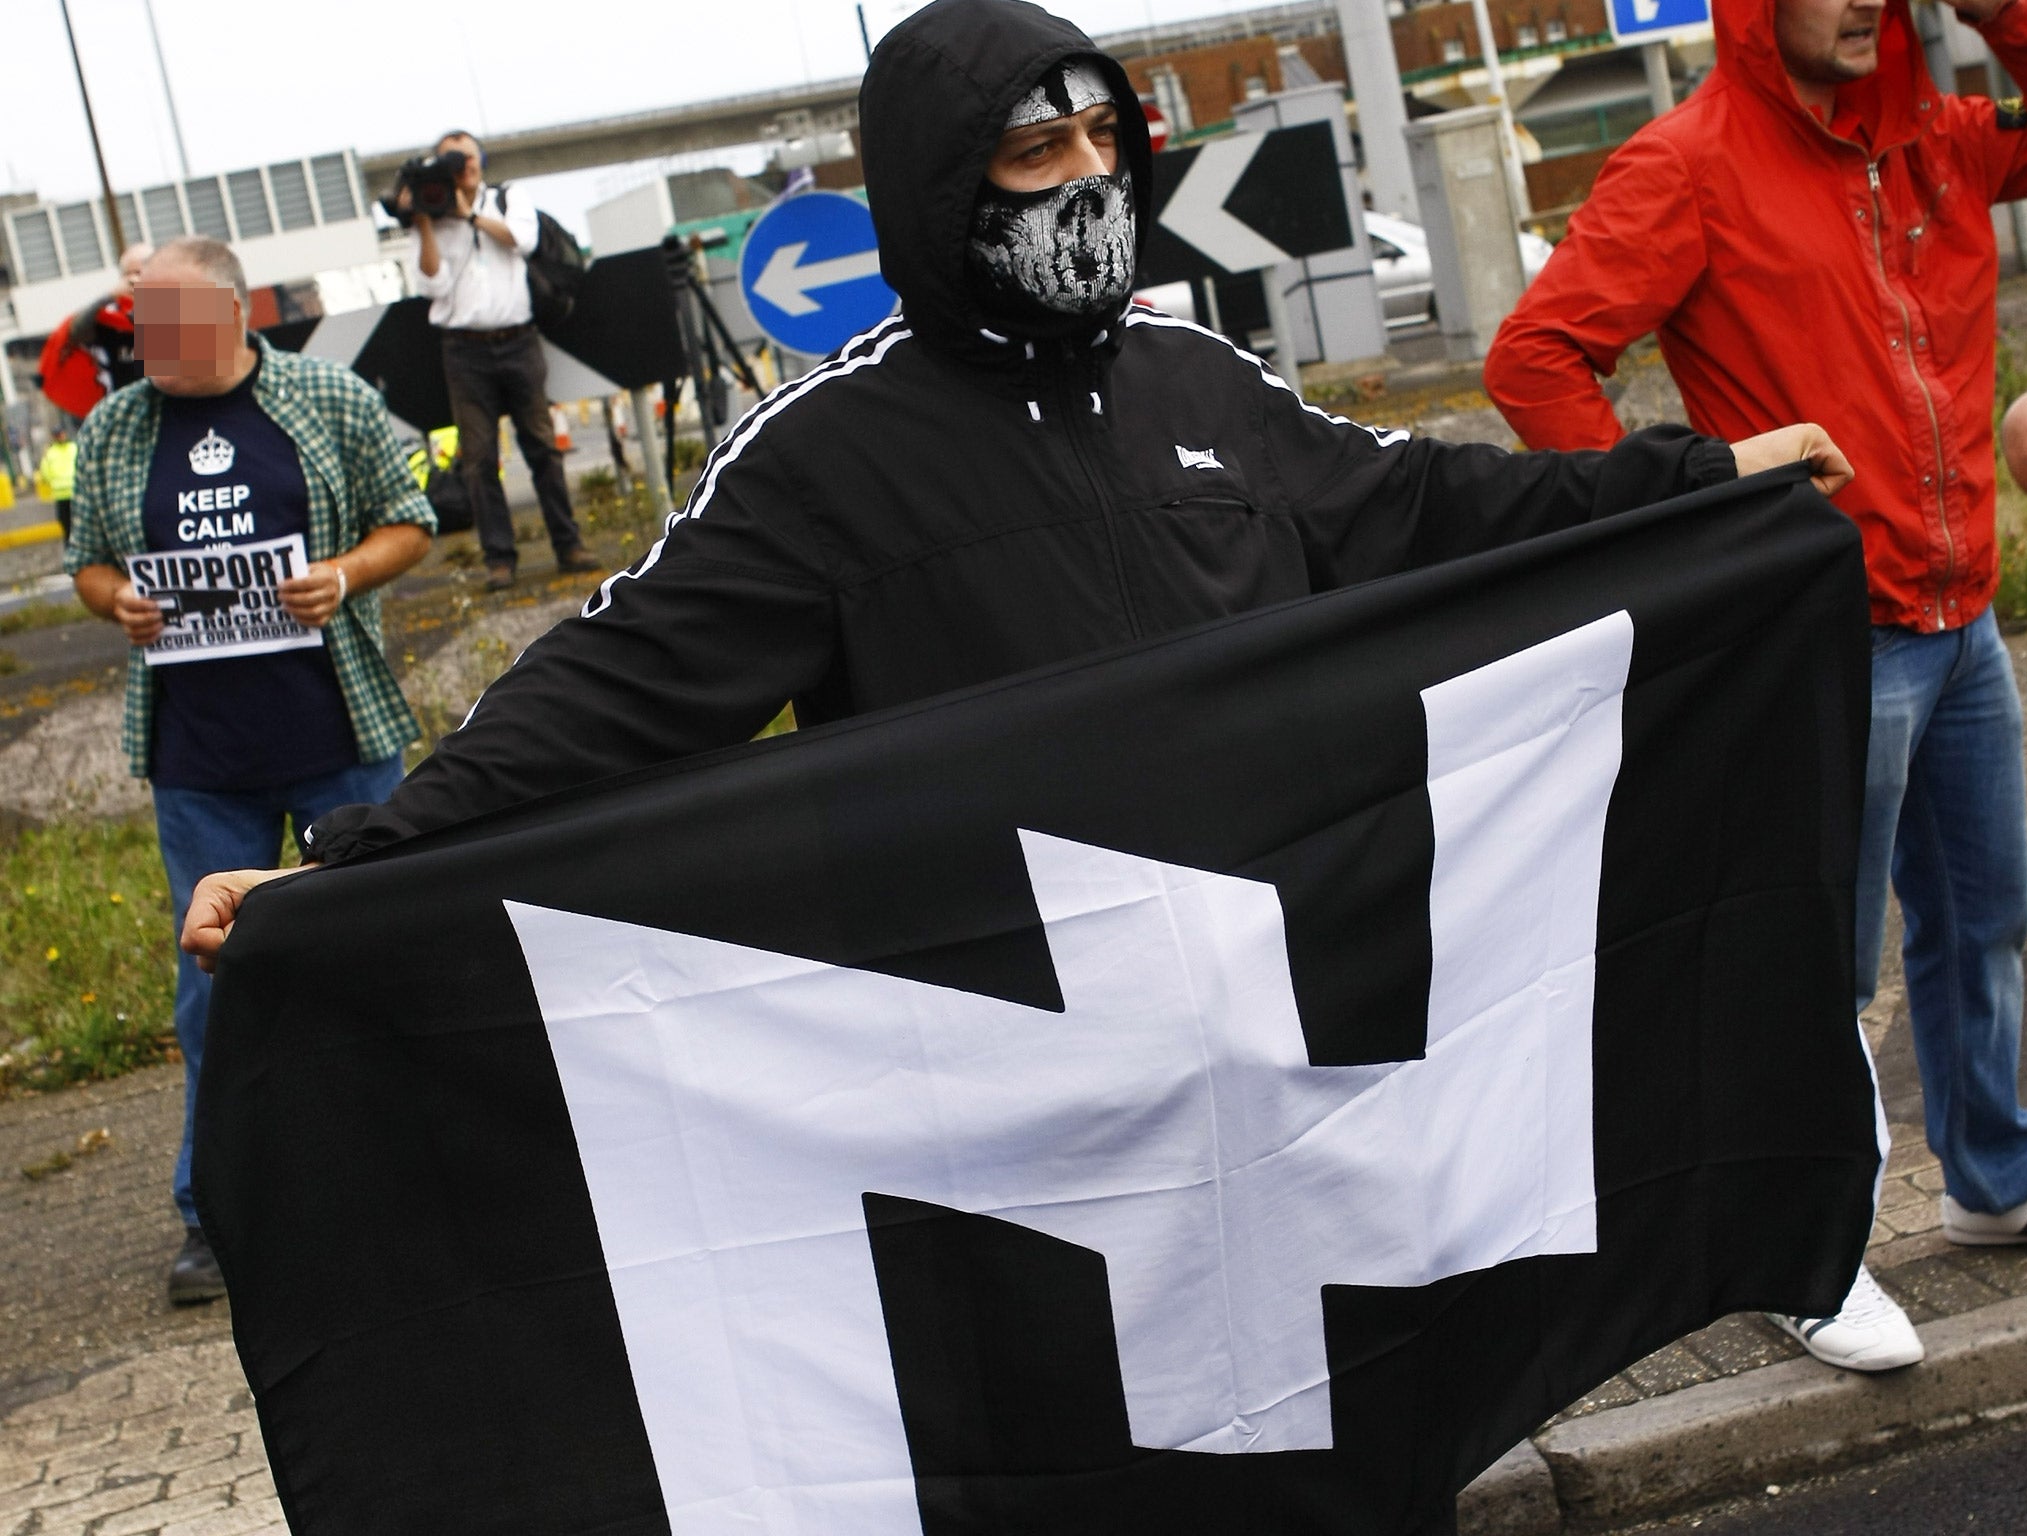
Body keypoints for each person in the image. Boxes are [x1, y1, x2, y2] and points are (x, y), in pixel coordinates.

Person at [187, 0, 1841, 1442]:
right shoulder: (825, 462)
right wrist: (345, 864)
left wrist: (1703, 485)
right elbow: (611, 691)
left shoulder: (1205, 390)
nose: (1080, 175)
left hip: (1276, 1050)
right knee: (1085, 1446)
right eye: (1027, 151)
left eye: (1095, 136)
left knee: (1352, 1414)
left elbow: (1432, 507)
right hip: (1028, 1095)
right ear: (934, 185)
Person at [1485, 0, 2027, 1372]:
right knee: (1815, 971)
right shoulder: (1690, 165)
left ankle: (1991, 1182)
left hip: (1960, 612)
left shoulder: (1941, 143)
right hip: (1820, 636)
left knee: (1982, 922)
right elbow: (1534, 358)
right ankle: (1813, 1252)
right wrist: (1695, 530)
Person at [65, 236, 436, 1304]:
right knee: (209, 993)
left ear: (232, 314)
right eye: (142, 332)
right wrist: (113, 603)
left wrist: (343, 577)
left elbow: (408, 523)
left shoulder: (327, 397)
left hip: (340, 737)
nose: (149, 349)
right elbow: (86, 560)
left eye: (170, 328)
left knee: (378, 958)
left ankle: (418, 1179)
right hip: (199, 759)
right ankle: (213, 1215)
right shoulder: (115, 428)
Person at [402, 130, 597, 591]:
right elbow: (430, 284)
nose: (460, 167)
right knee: (479, 459)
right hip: (464, 349)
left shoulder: (509, 199)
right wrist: (426, 222)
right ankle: (499, 560)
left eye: (465, 158)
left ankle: (568, 544)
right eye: (449, 161)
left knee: (543, 449)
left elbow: (523, 242)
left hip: (519, 339)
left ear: (480, 160)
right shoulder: (431, 214)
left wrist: (469, 215)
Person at [37, 242, 154, 421]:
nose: (135, 280)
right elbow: (75, 331)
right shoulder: (107, 317)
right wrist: (110, 295)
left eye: (141, 272)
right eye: (129, 274)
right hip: (123, 415)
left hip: (173, 409)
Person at [37, 427, 77, 537]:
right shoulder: (51, 453)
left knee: (77, 524)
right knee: (67, 525)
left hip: (76, 492)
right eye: (58, 435)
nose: (60, 436)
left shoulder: (73, 448)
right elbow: (45, 472)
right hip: (62, 494)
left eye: (61, 434)